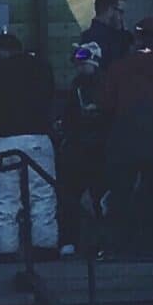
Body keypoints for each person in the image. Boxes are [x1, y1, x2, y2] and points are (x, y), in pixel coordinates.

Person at [0, 30, 57, 256]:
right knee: (43, 195)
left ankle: (6, 249)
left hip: (6, 139)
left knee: (6, 199)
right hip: (39, 136)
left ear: (1, 52)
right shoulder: (42, 68)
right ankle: (45, 245)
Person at [101, 16, 153, 251]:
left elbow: (106, 105)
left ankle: (123, 244)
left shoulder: (120, 67)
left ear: (138, 38)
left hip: (125, 138)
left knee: (121, 191)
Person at [53, 40, 109, 251]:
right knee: (93, 197)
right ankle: (94, 243)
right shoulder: (94, 84)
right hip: (90, 147)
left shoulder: (83, 85)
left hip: (88, 147)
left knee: (79, 196)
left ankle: (73, 240)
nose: (78, 66)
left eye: (81, 61)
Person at [82, 0, 132, 66]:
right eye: (121, 12)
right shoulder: (97, 38)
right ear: (110, 9)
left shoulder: (118, 35)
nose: (122, 17)